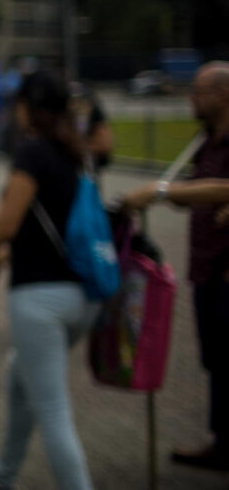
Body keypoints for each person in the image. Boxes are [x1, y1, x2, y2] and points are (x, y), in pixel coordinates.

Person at [0, 71, 98, 490]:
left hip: (39, 300)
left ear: (30, 108)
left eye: (18, 103)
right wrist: (0, 259)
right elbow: (55, 226)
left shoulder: (32, 153)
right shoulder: (74, 154)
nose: (12, 110)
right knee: (19, 376)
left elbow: (8, 222)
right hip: (81, 297)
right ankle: (4, 474)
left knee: (53, 411)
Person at [121, 61, 229, 472]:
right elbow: (198, 192)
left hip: (225, 271)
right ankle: (223, 444)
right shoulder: (207, 142)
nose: (191, 100)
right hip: (206, 269)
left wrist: (164, 190)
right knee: (217, 362)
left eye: (198, 92)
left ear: (222, 95)